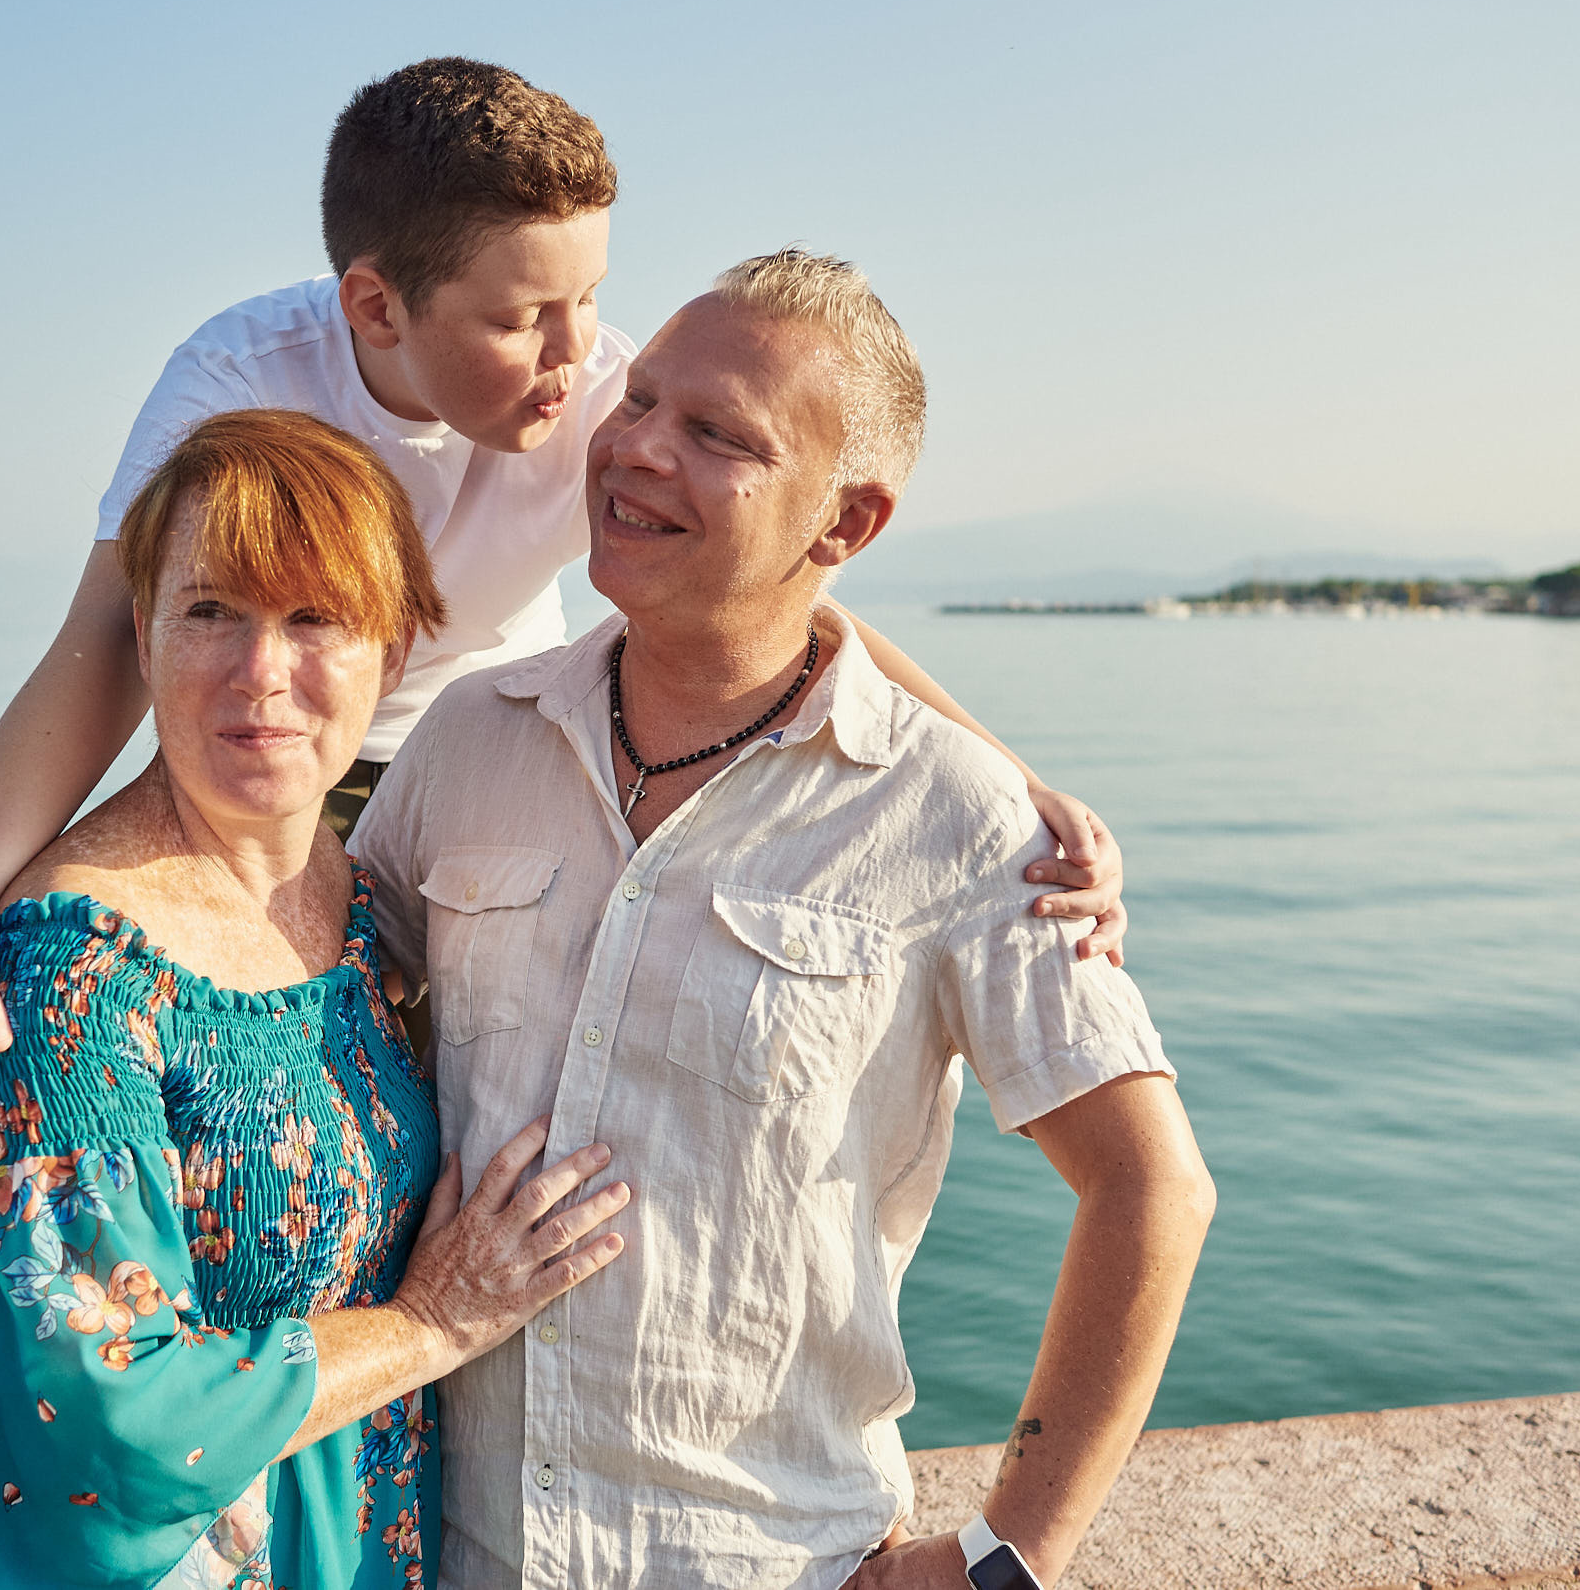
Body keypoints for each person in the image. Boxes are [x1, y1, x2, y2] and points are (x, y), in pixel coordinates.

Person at [0, 59, 1128, 1174]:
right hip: (289, 754)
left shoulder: (611, 395)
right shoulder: (241, 384)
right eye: (522, 314)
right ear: (376, 308)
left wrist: (1014, 783)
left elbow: (788, 589)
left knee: (469, 1115)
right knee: (219, 1091)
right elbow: (103, 644)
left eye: (590, 295)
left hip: (499, 757)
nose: (576, 349)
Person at [348, 252, 1217, 1590]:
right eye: (639, 400)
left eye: (715, 434)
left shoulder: (962, 820)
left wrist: (1008, 1555)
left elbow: (1152, 1185)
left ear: (846, 522)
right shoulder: (470, 734)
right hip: (439, 1556)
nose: (633, 448)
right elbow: (320, 1019)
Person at [0, 410, 633, 1590]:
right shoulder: (75, 973)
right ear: (141, 638)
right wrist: (433, 1322)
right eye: (210, 613)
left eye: (314, 620)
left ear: (392, 656)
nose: (261, 673)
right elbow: (116, 1416)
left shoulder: (354, 898)